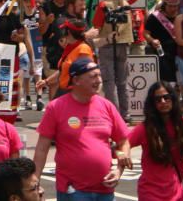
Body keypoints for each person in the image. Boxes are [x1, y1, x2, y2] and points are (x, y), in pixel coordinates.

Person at [33, 57, 131, 200]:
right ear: (76, 80)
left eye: (99, 75)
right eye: (93, 76)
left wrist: (119, 170)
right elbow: (42, 149)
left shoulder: (107, 106)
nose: (98, 80)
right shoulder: (56, 107)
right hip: (73, 190)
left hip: (105, 189)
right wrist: (35, 182)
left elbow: (123, 142)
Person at [128, 81, 183, 201]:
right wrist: (120, 154)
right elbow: (123, 144)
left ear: (173, 99)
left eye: (166, 97)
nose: (163, 101)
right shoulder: (145, 128)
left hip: (177, 194)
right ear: (152, 104)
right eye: (158, 99)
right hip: (151, 194)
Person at [92, 0, 134, 118]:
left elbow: (97, 26)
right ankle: (125, 113)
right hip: (123, 45)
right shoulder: (126, 5)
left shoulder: (104, 5)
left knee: (109, 81)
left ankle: (114, 114)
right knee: (122, 81)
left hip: (107, 44)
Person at [37, 19, 93, 98]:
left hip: (74, 93)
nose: (62, 34)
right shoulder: (70, 48)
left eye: (64, 31)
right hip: (64, 90)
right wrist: (46, 81)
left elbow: (86, 74)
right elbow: (62, 71)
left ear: (69, 32)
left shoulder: (83, 49)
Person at [145, 0, 181, 101]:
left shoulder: (180, 17)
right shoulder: (155, 17)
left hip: (179, 52)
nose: (173, 9)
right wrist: (152, 40)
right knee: (167, 80)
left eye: (175, 6)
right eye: (170, 6)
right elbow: (145, 33)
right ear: (165, 5)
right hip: (162, 53)